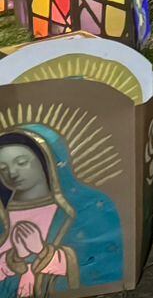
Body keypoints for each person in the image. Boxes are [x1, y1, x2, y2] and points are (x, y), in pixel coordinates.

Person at [0, 124, 124, 295]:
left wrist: (43, 252)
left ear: (46, 160)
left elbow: (101, 259)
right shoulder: (2, 216)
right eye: (3, 168)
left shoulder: (88, 208)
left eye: (21, 162)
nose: (12, 173)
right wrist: (12, 259)